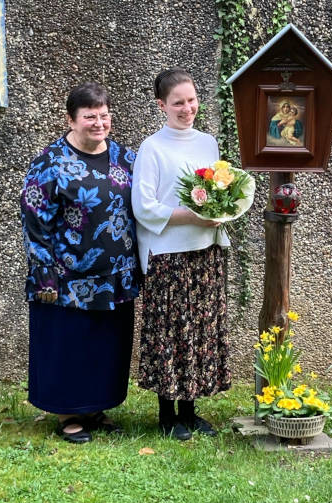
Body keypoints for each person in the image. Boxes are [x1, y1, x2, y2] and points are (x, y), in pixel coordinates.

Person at [20, 82, 140, 443]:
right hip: (67, 276)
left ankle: (96, 408)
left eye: (104, 115)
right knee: (69, 344)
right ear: (71, 119)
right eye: (90, 116)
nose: (99, 123)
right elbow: (34, 219)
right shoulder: (50, 162)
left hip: (115, 276)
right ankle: (69, 414)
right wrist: (44, 271)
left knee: (106, 345)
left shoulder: (125, 158)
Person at [131, 68, 231, 440]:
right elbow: (144, 207)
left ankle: (189, 412)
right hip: (168, 257)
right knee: (170, 334)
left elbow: (219, 190)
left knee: (198, 333)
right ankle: (165, 415)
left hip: (204, 252)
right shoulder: (152, 148)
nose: (187, 108)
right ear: (162, 106)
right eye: (178, 103)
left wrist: (221, 210)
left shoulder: (208, 143)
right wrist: (191, 215)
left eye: (191, 100)